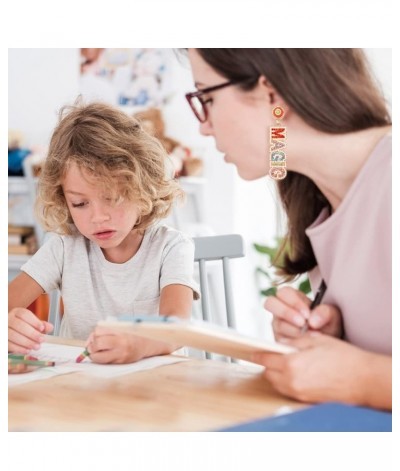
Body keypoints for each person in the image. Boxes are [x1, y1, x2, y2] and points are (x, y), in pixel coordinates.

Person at [184, 48, 391, 410]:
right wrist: (331, 342)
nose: (203, 125)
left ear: (271, 94)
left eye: (207, 97)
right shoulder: (321, 202)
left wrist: (363, 377)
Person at [8, 101, 199, 364]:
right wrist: (8, 326)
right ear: (63, 199)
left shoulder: (172, 247)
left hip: (158, 390)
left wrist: (138, 344)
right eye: (80, 204)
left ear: (142, 187)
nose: (98, 217)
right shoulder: (64, 248)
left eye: (112, 198)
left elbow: (177, 329)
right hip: (84, 390)